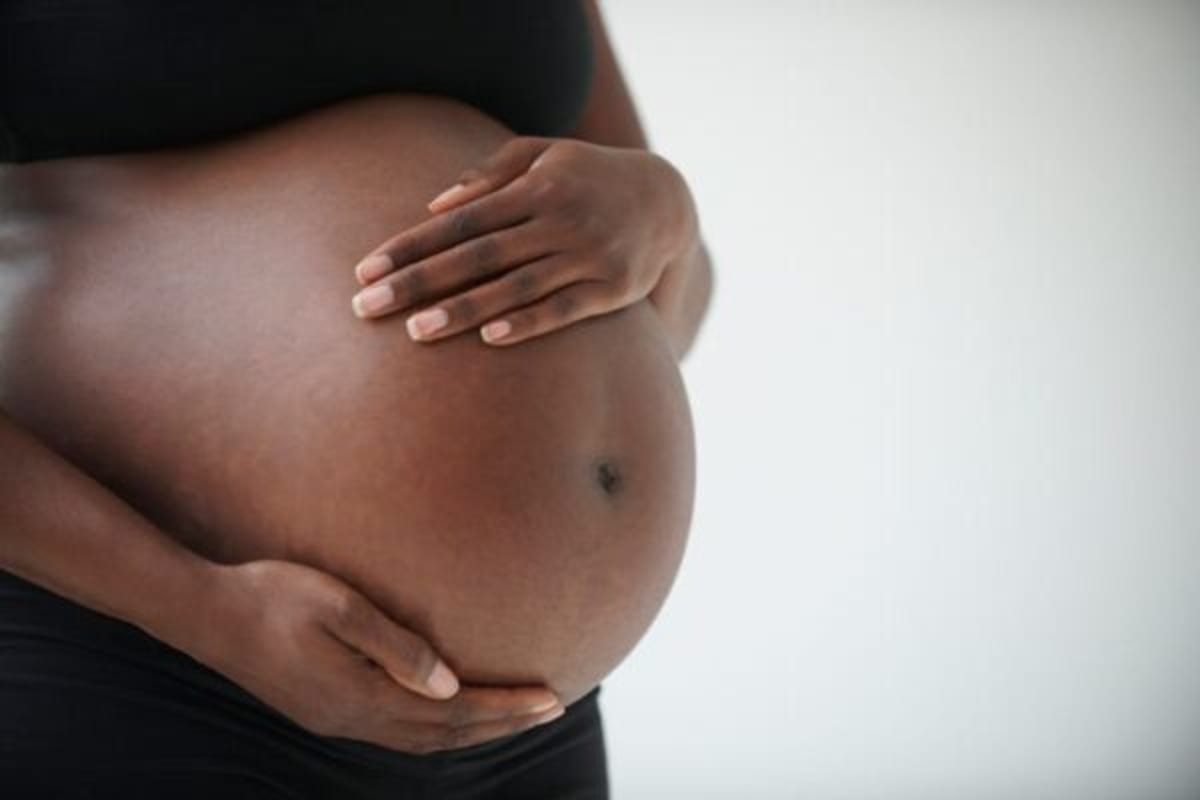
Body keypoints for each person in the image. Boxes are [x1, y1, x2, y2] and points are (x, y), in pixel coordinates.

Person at [0, 1, 713, 797]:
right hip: (159, 665)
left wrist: (668, 218)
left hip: (533, 729)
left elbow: (672, 311)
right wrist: (206, 613)